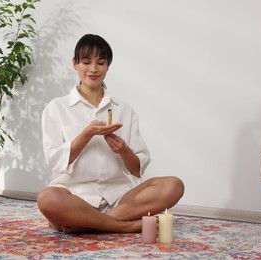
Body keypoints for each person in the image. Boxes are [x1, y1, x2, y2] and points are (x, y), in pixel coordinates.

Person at [37, 34, 184, 233]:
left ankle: (83, 224)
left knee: (173, 186)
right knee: (47, 198)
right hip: (74, 197)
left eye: (101, 62)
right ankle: (122, 226)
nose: (94, 69)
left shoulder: (124, 109)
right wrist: (86, 134)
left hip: (119, 199)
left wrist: (123, 150)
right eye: (87, 62)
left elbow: (136, 169)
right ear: (75, 64)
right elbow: (54, 161)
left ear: (108, 66)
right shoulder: (56, 108)